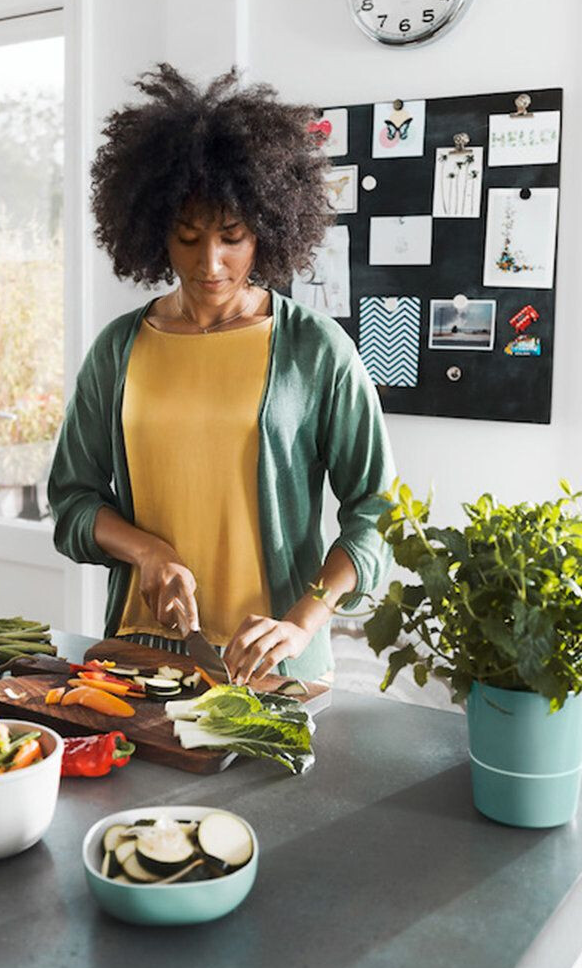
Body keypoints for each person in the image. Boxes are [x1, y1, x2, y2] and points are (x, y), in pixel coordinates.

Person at [47, 63, 396, 684]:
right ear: (156, 234)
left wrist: (304, 620)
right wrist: (147, 552)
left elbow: (377, 512)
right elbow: (72, 502)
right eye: (187, 238)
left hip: (274, 661)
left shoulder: (316, 351)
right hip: (138, 655)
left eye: (232, 236)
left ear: (265, 229)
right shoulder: (118, 350)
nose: (211, 262)